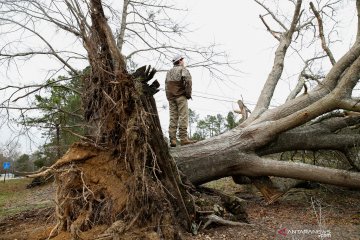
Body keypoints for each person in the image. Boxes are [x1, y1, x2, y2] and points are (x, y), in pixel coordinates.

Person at [165, 55, 196, 147]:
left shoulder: (169, 72)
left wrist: (169, 97)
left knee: (173, 117)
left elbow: (166, 85)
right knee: (183, 116)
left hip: (171, 98)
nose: (183, 61)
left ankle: (173, 140)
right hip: (181, 97)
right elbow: (188, 82)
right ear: (180, 61)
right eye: (182, 60)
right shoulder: (183, 69)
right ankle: (183, 139)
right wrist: (188, 94)